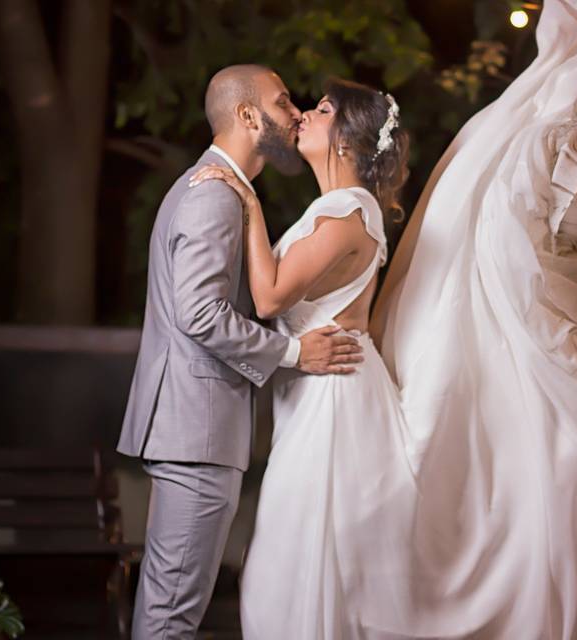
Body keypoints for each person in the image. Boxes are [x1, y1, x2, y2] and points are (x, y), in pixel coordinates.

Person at [191, 0, 577, 637]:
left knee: (297, 566)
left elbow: (267, 298)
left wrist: (243, 195)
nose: (303, 116)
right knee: (298, 565)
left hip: (336, 404)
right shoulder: (332, 209)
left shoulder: (349, 211)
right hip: (315, 396)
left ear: (345, 138)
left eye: (319, 110)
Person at [115, 64, 364, 640]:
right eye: (282, 104)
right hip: (195, 433)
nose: (296, 112)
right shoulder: (215, 197)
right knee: (172, 613)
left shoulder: (223, 190)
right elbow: (199, 314)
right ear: (249, 117)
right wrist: (295, 353)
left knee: (170, 604)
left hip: (193, 430)